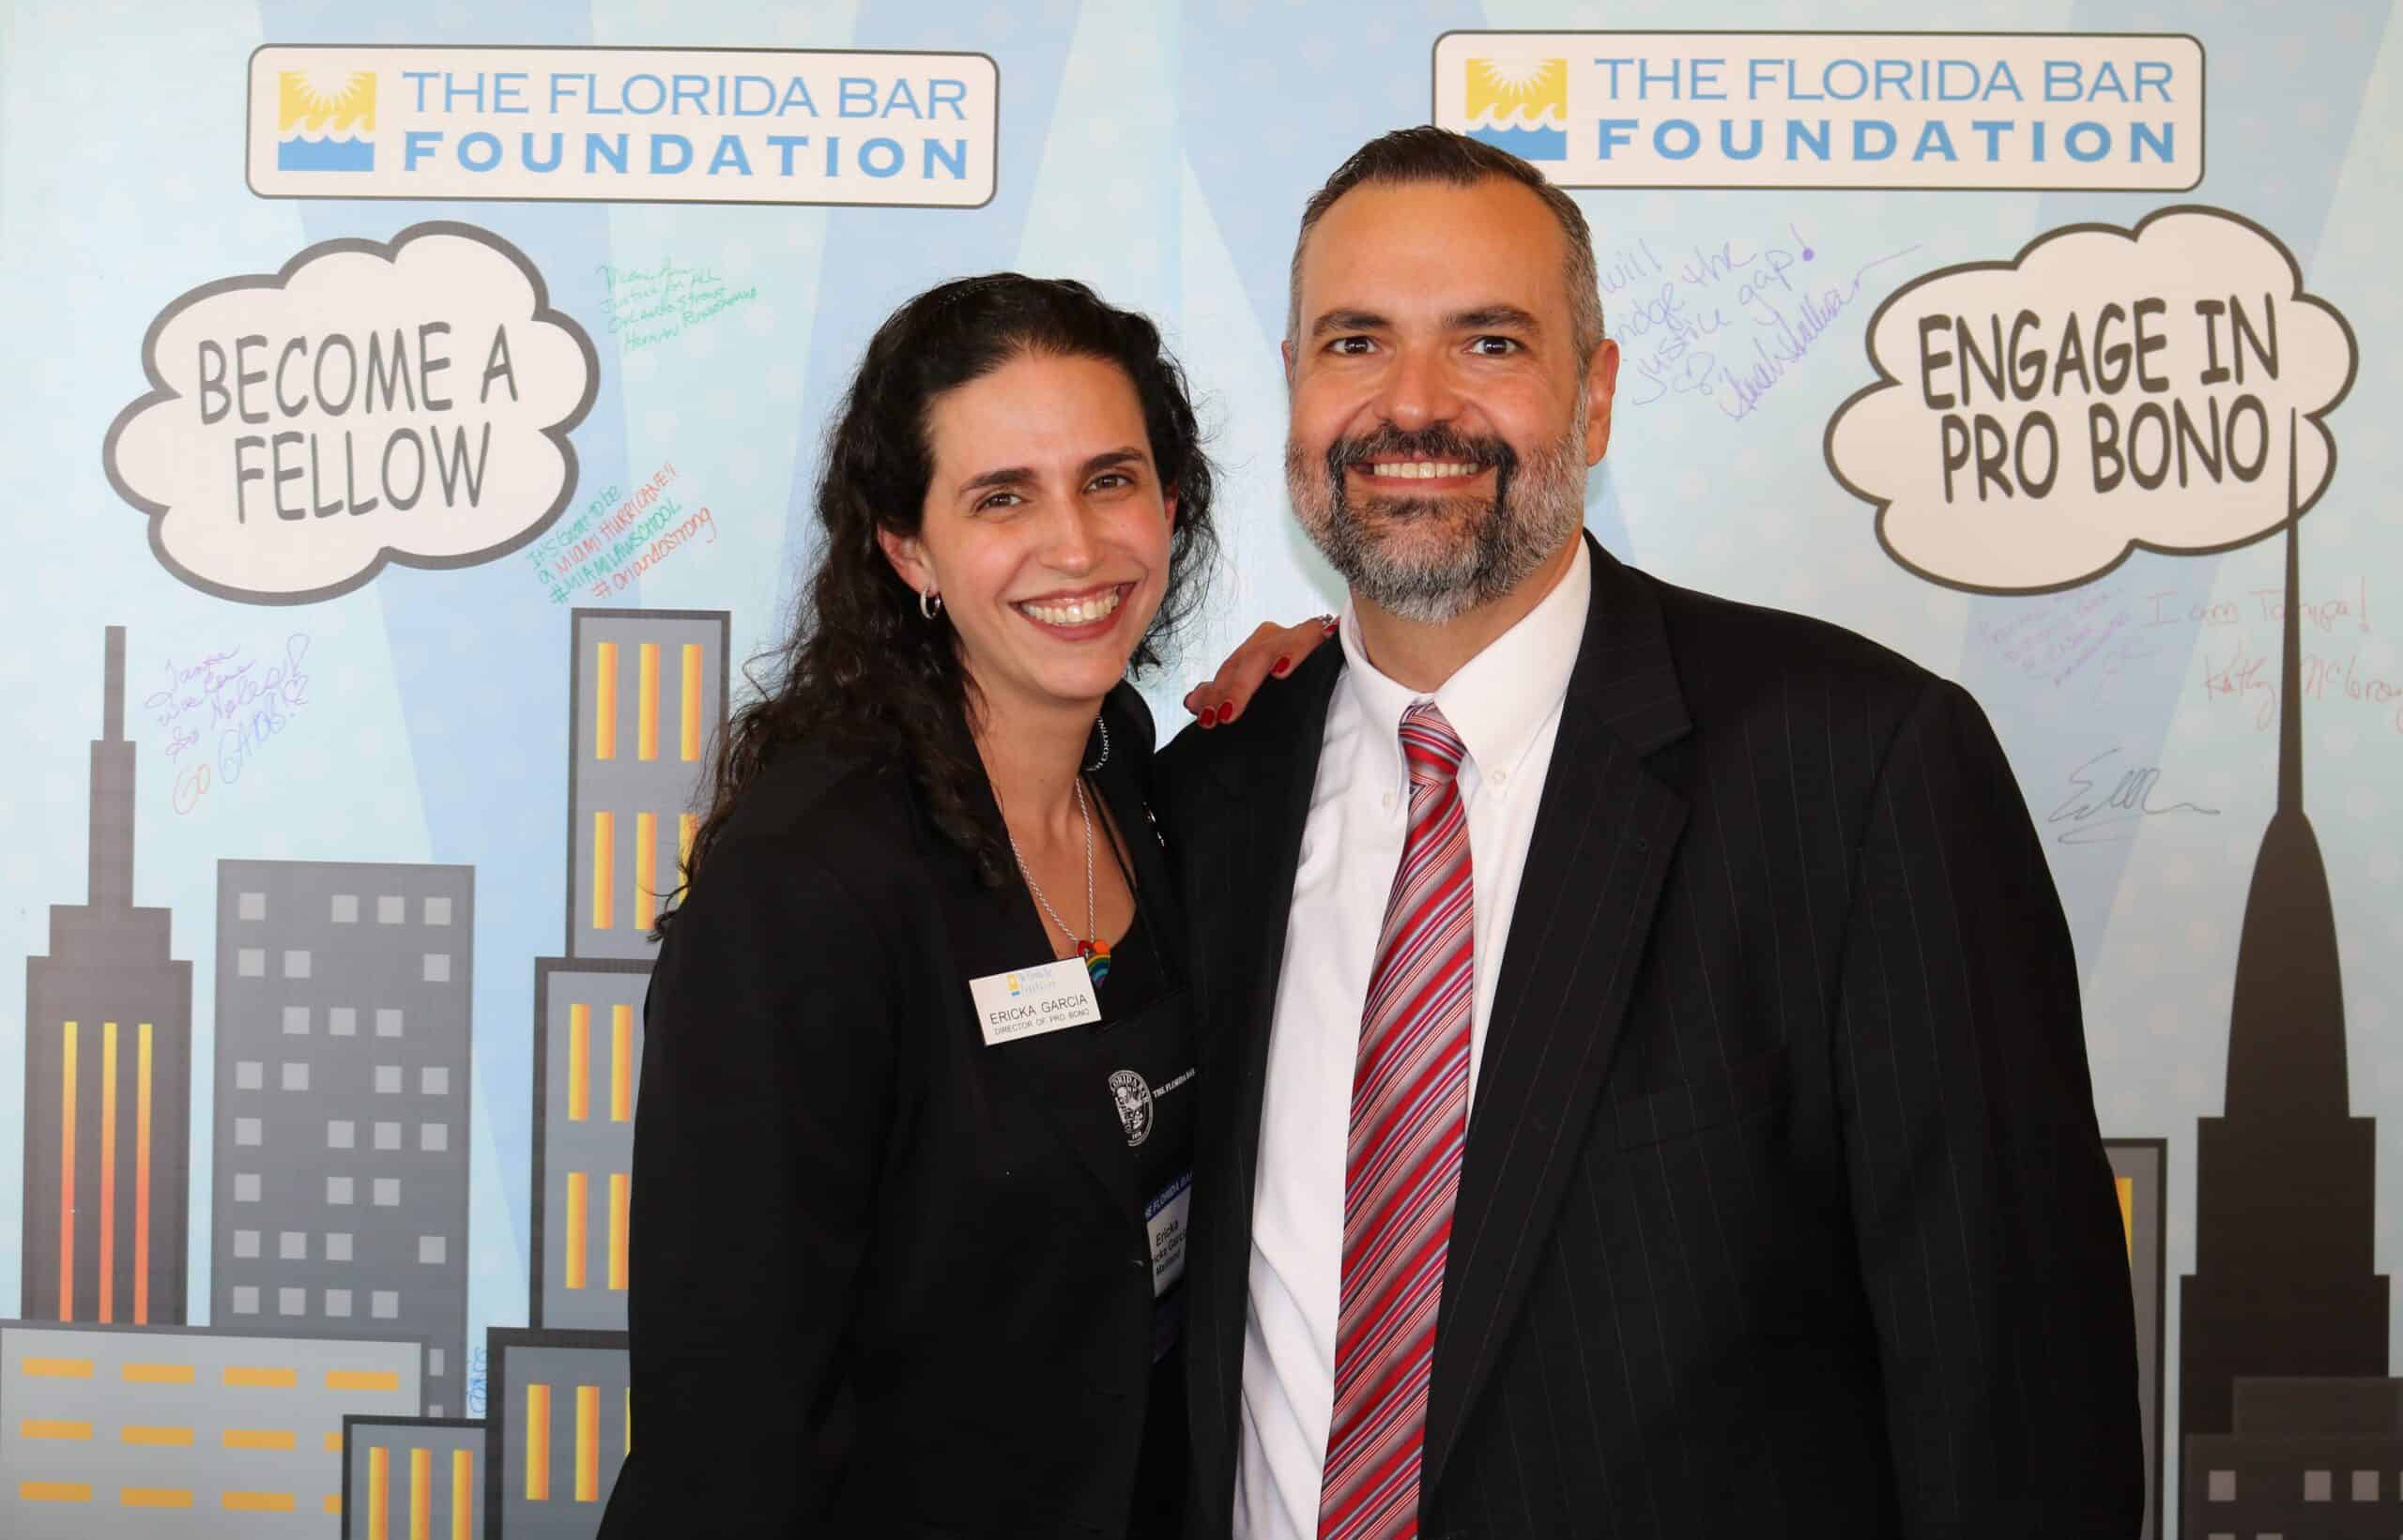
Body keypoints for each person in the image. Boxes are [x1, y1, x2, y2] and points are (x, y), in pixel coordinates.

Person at [1157, 129, 2144, 1538]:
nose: (1413, 405)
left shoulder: (1858, 774)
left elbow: (2014, 1401)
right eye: (1356, 342)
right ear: (1296, 387)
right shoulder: (1210, 798)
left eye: (1490, 343)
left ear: (1598, 396)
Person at [601, 273, 1217, 1538]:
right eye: (1003, 497)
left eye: (1109, 480)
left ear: (1169, 505)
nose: (1076, 546)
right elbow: (725, 1414)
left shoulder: (1138, 788)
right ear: (908, 549)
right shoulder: (810, 881)